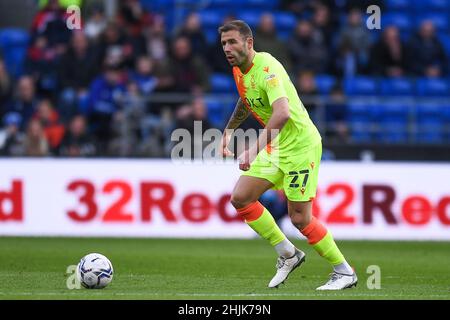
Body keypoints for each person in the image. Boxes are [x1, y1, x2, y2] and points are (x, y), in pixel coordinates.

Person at [218, 20, 357, 290]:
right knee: (241, 198)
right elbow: (247, 100)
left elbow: (282, 114)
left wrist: (253, 148)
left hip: (301, 147)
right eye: (223, 43)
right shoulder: (239, 70)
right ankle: (288, 253)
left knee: (300, 219)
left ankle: (344, 271)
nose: (227, 48)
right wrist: (228, 131)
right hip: (277, 146)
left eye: (232, 41)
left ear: (249, 43)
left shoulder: (267, 68)